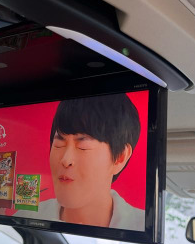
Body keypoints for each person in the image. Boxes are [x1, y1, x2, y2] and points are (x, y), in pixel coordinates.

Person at [15, 94, 144, 230]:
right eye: (59, 144)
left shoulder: (141, 226)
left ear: (120, 157)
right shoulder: (26, 217)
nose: (66, 160)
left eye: (83, 147)